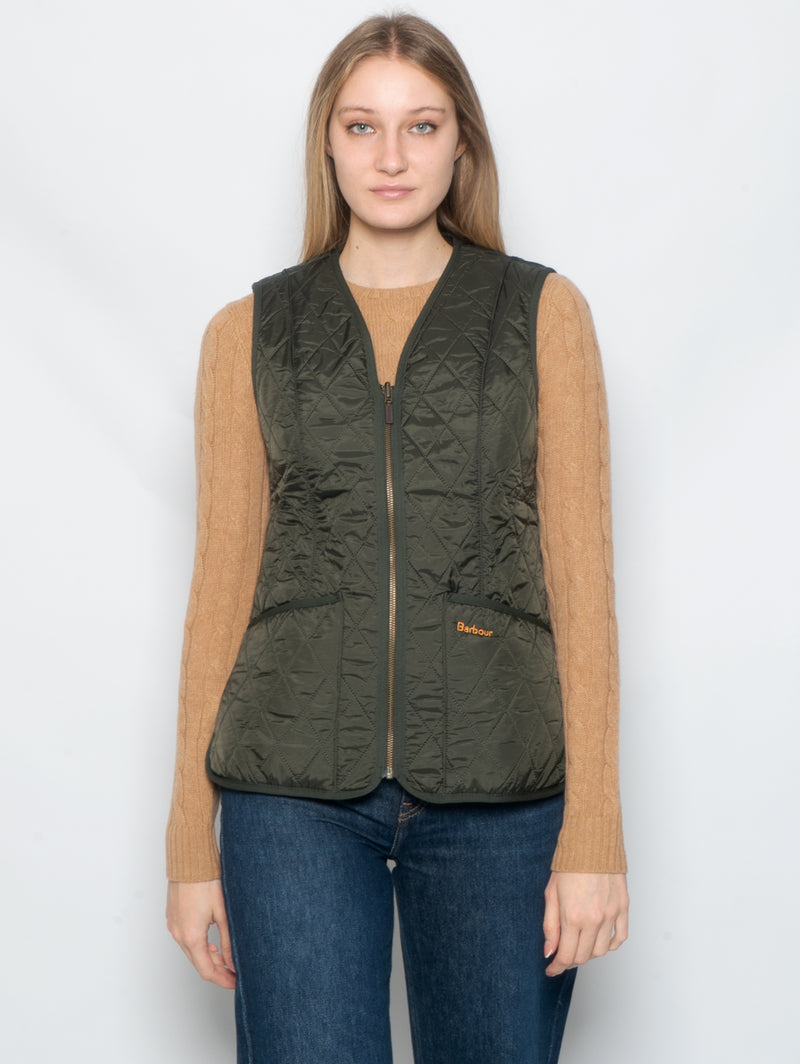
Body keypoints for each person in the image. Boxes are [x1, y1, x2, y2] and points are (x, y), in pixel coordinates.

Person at [166, 13, 628, 1064]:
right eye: (361, 125)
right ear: (326, 145)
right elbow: (218, 595)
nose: (389, 156)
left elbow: (583, 585)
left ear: (461, 143)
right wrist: (190, 843)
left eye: (421, 125)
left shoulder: (542, 314)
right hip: (288, 795)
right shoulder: (248, 333)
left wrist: (594, 832)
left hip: (501, 789)